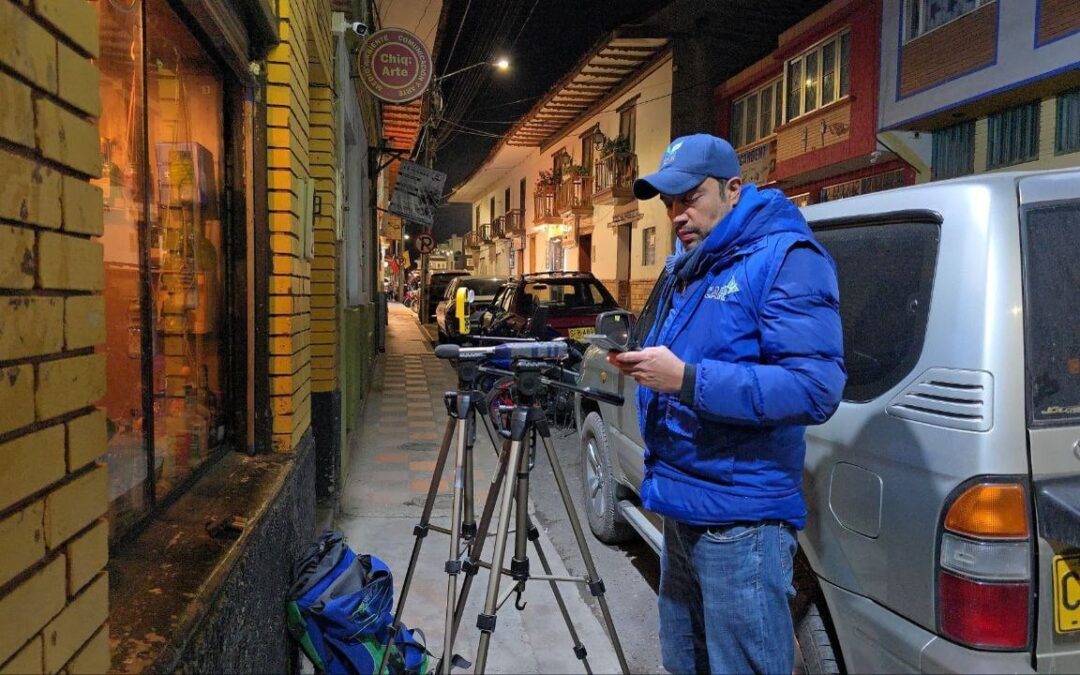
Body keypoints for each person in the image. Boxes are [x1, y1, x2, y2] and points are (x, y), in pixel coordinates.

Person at [608, 134, 846, 674]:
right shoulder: (689, 266)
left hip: (740, 523)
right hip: (680, 506)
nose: (675, 215)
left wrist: (687, 380)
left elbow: (814, 387)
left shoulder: (786, 259)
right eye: (669, 203)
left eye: (688, 197)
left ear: (733, 189)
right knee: (684, 662)